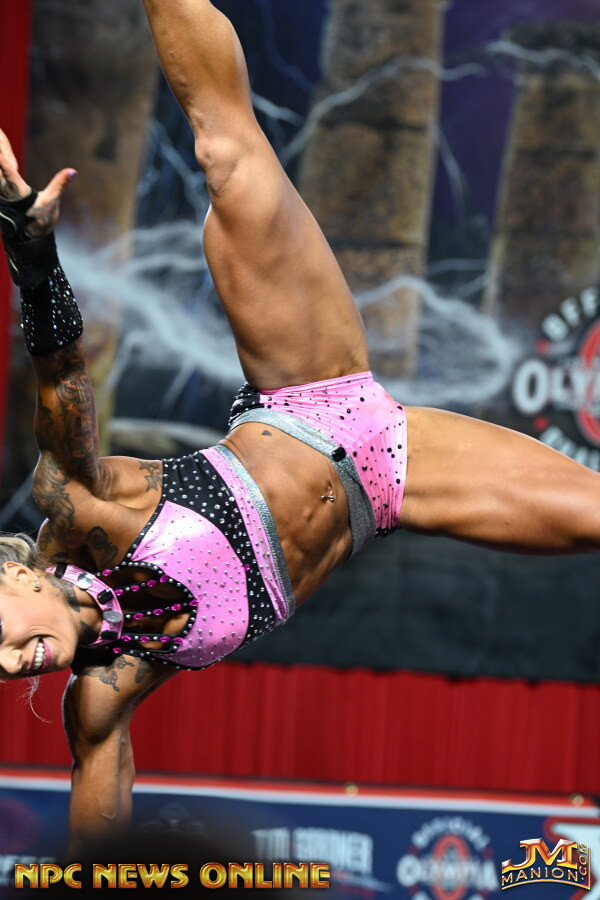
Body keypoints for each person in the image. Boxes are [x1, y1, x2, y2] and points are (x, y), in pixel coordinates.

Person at [0, 0, 599, 853]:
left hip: (310, 395)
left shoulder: (77, 506)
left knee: (225, 151)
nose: (11, 664)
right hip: (392, 482)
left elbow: (62, 376)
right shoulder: (104, 694)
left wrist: (31, 256)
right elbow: (103, 849)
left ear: (14, 579)